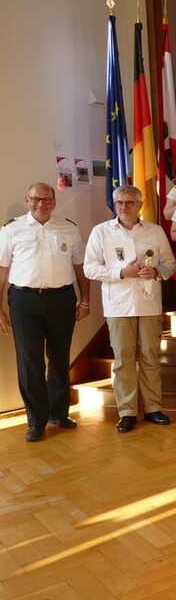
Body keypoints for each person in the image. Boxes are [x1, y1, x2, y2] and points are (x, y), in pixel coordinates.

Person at [0, 182, 90, 442]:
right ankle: (36, 421)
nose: (41, 204)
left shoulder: (68, 228)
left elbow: (79, 267)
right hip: (24, 301)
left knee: (60, 357)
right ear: (27, 200)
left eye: (47, 200)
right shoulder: (11, 229)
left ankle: (58, 412)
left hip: (61, 299)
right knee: (30, 362)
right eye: (36, 199)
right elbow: (2, 271)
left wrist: (85, 300)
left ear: (54, 202)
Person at [84, 185, 176, 433]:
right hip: (118, 305)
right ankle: (127, 411)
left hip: (148, 303)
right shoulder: (101, 232)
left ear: (139, 204)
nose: (124, 207)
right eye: (119, 203)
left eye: (129, 202)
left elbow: (170, 264)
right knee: (123, 359)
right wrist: (121, 272)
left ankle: (153, 408)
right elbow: (89, 268)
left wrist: (156, 271)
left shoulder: (155, 231)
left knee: (150, 356)